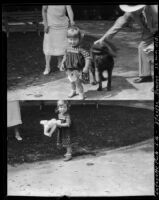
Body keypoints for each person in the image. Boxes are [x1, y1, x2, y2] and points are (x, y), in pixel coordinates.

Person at [94, 5, 158, 87]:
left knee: (153, 52)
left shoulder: (155, 10)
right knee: (142, 47)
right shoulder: (130, 13)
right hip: (149, 32)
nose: (133, 11)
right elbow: (118, 25)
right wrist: (103, 39)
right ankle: (146, 76)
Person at [42, 5, 75, 75]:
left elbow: (69, 9)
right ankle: (47, 66)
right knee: (48, 46)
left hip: (63, 25)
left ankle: (60, 63)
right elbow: (44, 11)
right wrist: (45, 24)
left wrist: (72, 20)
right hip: (51, 25)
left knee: (61, 46)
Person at [61, 26, 91, 99]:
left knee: (78, 82)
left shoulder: (81, 49)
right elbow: (65, 56)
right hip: (68, 69)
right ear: (67, 39)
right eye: (70, 39)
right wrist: (62, 63)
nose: (72, 41)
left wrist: (86, 67)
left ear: (79, 39)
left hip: (77, 69)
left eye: (75, 39)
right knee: (71, 81)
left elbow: (88, 57)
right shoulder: (67, 47)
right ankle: (73, 91)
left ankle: (81, 93)